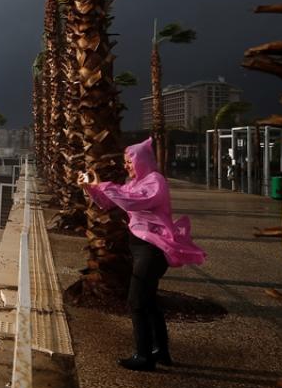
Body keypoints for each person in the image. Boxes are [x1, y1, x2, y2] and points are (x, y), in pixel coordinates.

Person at [78, 137, 206, 371]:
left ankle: (144, 356)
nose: (126, 165)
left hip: (152, 251)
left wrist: (103, 185)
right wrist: (91, 188)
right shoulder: (134, 183)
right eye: (125, 161)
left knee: (136, 302)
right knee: (149, 301)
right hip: (141, 249)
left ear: (143, 160)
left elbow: (132, 202)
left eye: (130, 161)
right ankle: (161, 350)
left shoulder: (155, 181)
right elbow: (109, 203)